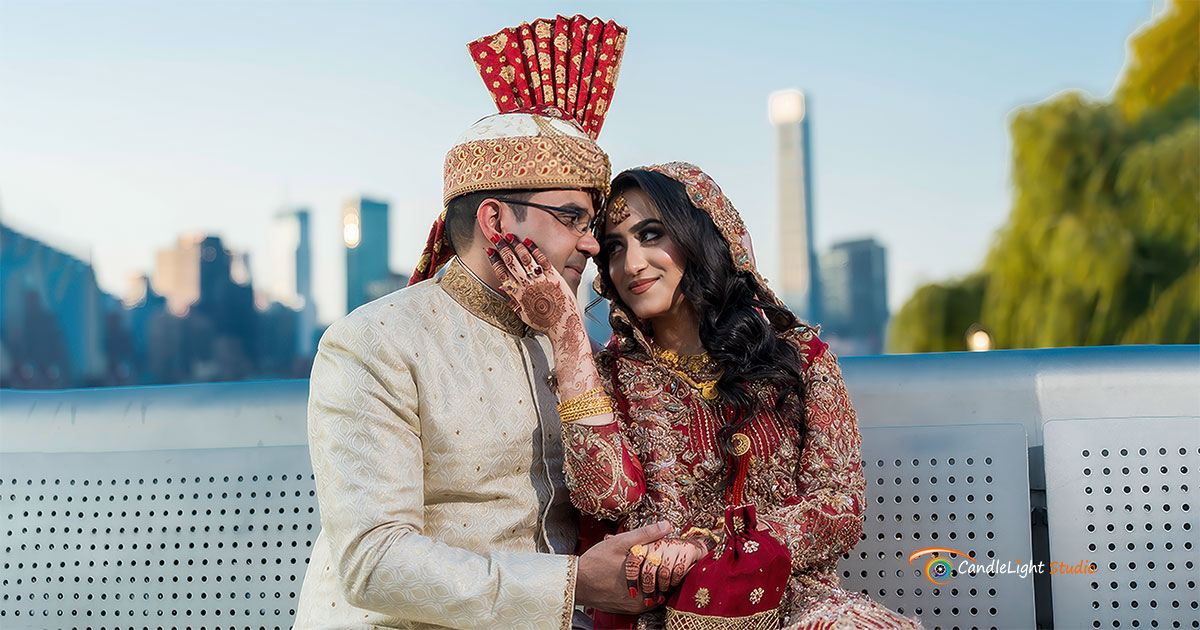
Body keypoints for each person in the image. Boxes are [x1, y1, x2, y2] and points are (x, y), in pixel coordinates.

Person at [294, 17, 672, 630]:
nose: (593, 246)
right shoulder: (372, 345)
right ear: (497, 222)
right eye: (573, 218)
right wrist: (574, 586)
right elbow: (373, 562)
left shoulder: (569, 348)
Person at [491, 162, 921, 629]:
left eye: (652, 235)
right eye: (615, 248)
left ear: (702, 236)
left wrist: (712, 545)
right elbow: (605, 499)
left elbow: (838, 506)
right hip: (663, 614)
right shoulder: (608, 376)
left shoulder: (798, 357)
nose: (631, 263)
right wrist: (568, 337)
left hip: (796, 600)